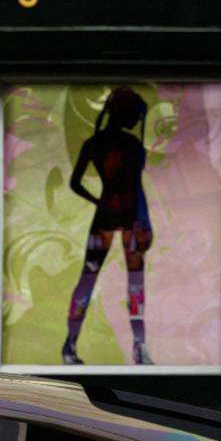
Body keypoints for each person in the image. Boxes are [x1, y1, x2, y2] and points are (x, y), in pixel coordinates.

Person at [62, 87, 153, 365]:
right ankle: (139, 347)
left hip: (106, 216)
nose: (136, 122)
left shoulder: (94, 143)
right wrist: (145, 223)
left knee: (87, 280)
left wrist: (98, 201)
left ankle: (70, 345)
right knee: (135, 284)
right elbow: (136, 188)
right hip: (132, 218)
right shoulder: (132, 145)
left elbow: (75, 183)